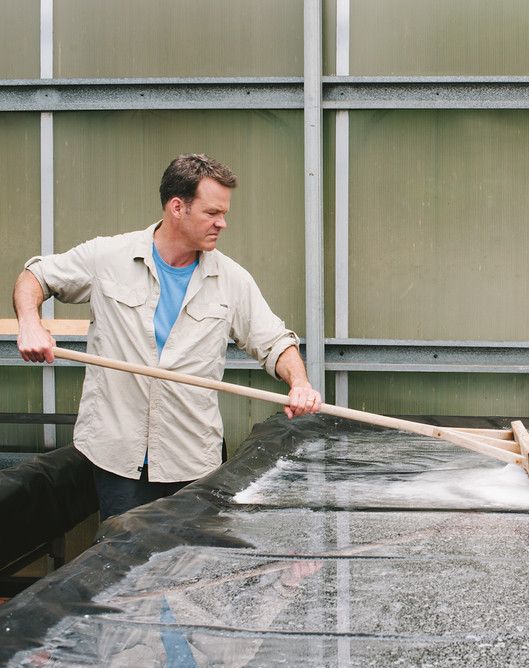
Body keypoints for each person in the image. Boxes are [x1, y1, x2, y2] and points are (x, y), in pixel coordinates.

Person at [13, 154, 322, 519]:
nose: (222, 223)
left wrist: (299, 382)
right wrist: (31, 323)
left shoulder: (231, 280)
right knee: (125, 568)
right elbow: (35, 276)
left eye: (224, 213)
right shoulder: (107, 257)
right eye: (212, 213)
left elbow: (274, 341)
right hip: (117, 461)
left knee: (192, 572)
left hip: (192, 462)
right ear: (178, 207)